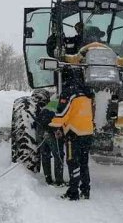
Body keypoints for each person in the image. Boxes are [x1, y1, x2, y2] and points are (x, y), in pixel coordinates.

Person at [50, 67, 94, 200]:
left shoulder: (68, 92)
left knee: (72, 162)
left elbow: (62, 114)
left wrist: (53, 125)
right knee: (84, 163)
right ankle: (85, 190)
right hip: (87, 132)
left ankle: (73, 192)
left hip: (74, 134)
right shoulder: (87, 92)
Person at [35, 94, 64, 186]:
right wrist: (56, 130)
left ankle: (48, 179)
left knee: (45, 155)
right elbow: (59, 119)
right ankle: (59, 181)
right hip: (51, 130)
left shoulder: (53, 101)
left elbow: (43, 117)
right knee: (58, 155)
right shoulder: (65, 103)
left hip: (40, 129)